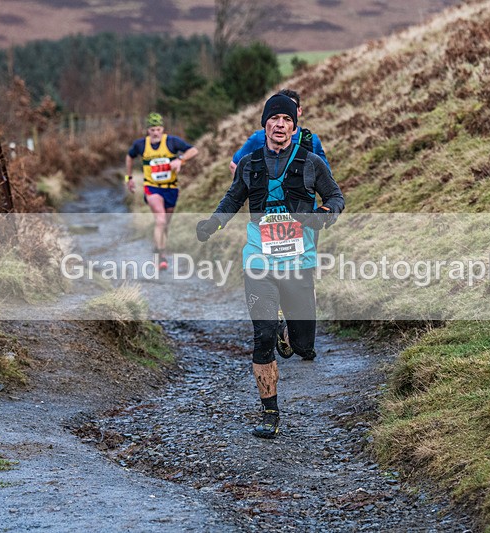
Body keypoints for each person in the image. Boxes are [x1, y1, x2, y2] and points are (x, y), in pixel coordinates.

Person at [197, 94, 344, 439]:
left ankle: (290, 335)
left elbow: (336, 198)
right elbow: (233, 198)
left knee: (305, 344)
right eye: (273, 119)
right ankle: (269, 413)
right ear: (264, 125)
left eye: (286, 120)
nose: (280, 125)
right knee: (262, 336)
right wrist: (212, 223)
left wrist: (326, 215)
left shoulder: (311, 162)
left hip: (299, 261)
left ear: (294, 125)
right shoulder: (250, 164)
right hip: (259, 260)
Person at [126, 112, 198, 270]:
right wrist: (129, 178)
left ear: (162, 129)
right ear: (148, 131)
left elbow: (193, 150)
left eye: (158, 129)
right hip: (152, 188)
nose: (155, 133)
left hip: (171, 188)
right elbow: (129, 156)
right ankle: (160, 256)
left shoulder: (172, 142)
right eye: (152, 130)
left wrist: (180, 160)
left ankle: (161, 249)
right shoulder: (141, 145)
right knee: (160, 219)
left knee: (166, 223)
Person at [228, 88, 330, 175]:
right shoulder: (259, 138)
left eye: (291, 107)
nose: (285, 110)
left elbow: (326, 177)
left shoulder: (311, 140)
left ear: (299, 111)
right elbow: (234, 165)